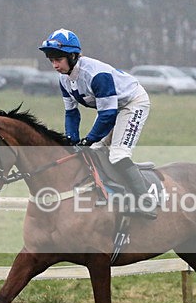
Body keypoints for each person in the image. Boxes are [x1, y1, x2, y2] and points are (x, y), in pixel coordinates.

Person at [39, 28, 156, 218]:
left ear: (73, 56)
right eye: (51, 60)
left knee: (118, 154)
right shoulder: (64, 80)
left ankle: (146, 202)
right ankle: (112, 193)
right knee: (93, 152)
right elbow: (71, 113)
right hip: (111, 108)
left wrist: (88, 139)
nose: (55, 65)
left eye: (58, 59)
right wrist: (72, 140)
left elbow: (108, 115)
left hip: (132, 103)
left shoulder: (96, 75)